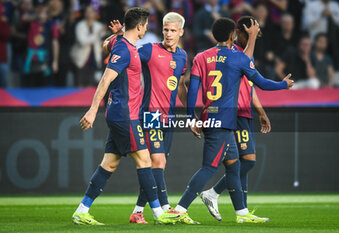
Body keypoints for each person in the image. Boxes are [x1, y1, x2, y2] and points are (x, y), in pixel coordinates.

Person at [174, 17, 293, 224]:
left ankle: (242, 213)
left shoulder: (202, 57)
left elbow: (193, 89)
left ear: (214, 35)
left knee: (234, 166)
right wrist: (283, 84)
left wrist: (191, 116)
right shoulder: (239, 59)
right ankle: (180, 208)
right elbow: (262, 84)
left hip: (211, 118)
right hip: (224, 120)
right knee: (209, 167)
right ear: (233, 36)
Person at [72, 7, 183, 225]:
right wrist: (93, 109)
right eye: (147, 25)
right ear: (140, 27)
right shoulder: (126, 50)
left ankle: (82, 209)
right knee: (146, 161)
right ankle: (160, 213)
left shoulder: (121, 44)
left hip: (120, 113)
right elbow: (105, 79)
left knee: (109, 164)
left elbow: (106, 45)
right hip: (126, 115)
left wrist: (116, 34)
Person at [104, 12, 191, 224]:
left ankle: (138, 210)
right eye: (165, 30)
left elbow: (180, 85)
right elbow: (120, 50)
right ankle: (164, 208)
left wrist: (190, 114)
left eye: (173, 31)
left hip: (168, 116)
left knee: (157, 166)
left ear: (181, 32)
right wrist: (118, 36)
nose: (168, 34)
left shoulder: (182, 56)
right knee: (157, 161)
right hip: (149, 114)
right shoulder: (149, 50)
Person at [200, 16, 272, 222]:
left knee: (241, 164)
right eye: (250, 33)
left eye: (256, 35)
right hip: (235, 112)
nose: (253, 37)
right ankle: (213, 193)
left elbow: (250, 85)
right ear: (238, 33)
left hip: (245, 111)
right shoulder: (233, 52)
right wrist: (252, 39)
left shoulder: (240, 53)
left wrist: (260, 111)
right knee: (247, 162)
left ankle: (242, 212)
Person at [70, 5, 105, 87]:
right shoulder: (80, 26)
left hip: (95, 59)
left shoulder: (99, 26)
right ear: (85, 13)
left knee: (93, 86)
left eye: (91, 11)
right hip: (82, 60)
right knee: (80, 85)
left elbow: (102, 40)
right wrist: (97, 34)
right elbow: (82, 41)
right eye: (87, 12)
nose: (89, 14)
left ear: (94, 13)